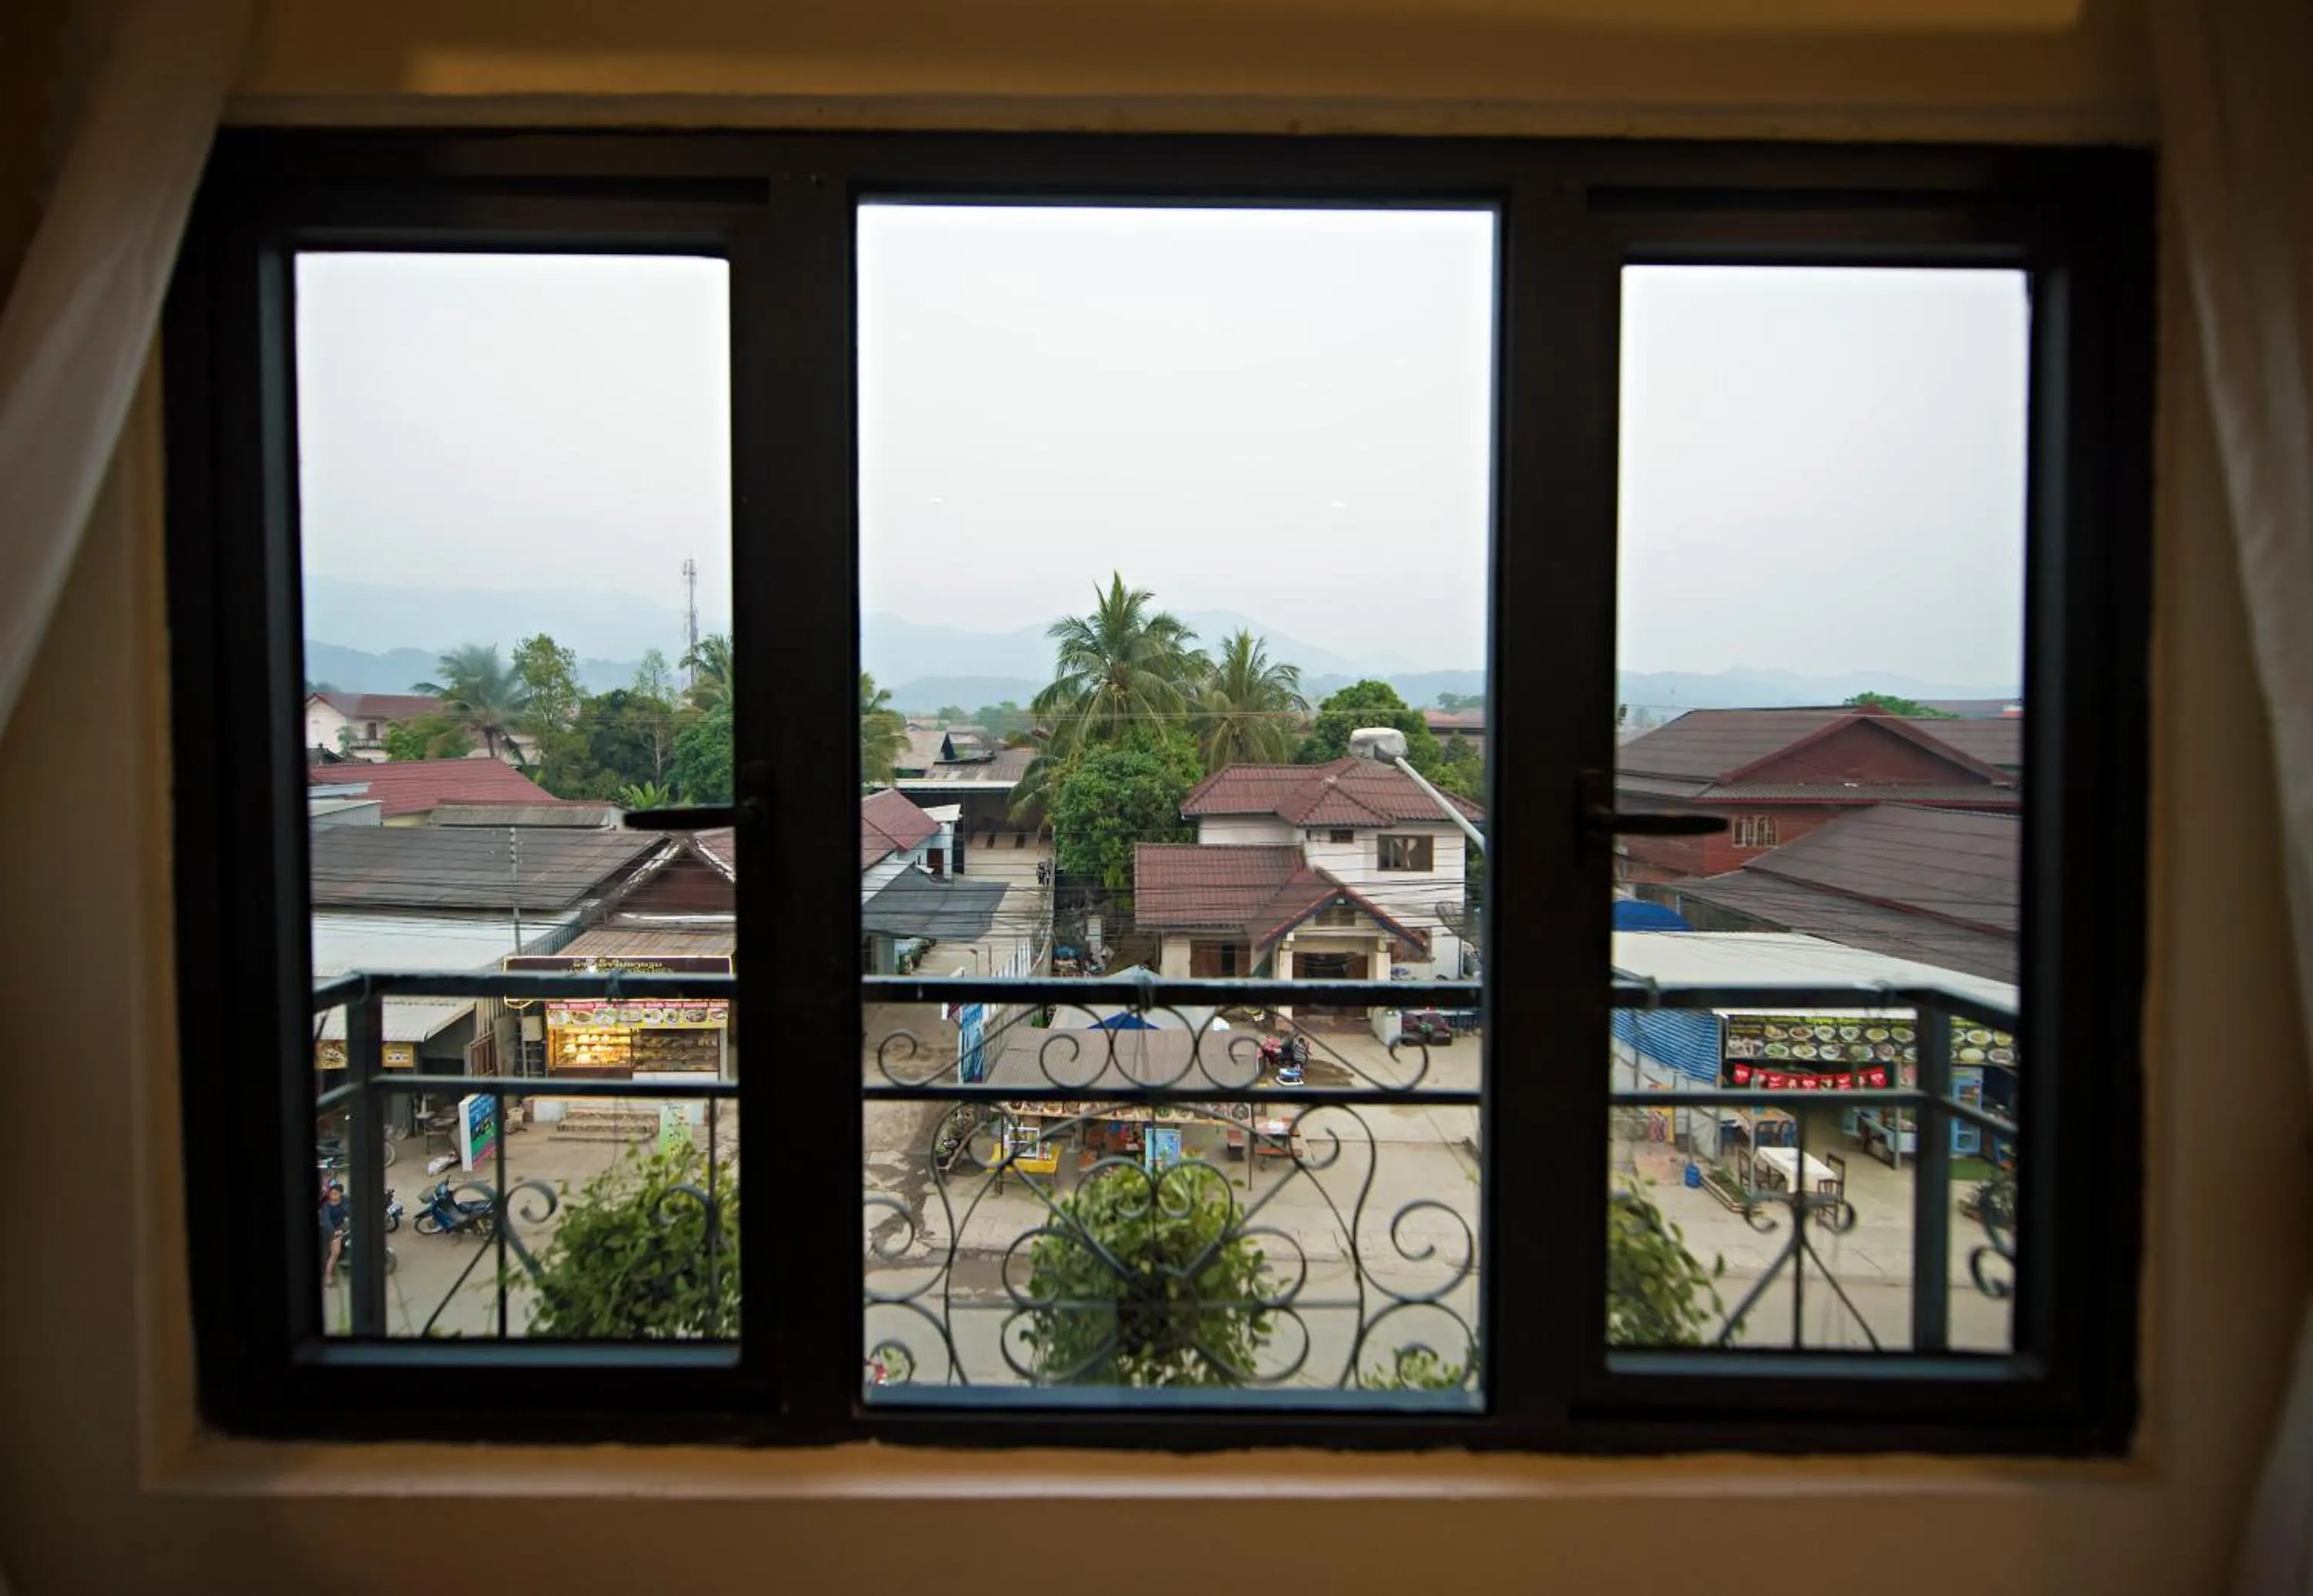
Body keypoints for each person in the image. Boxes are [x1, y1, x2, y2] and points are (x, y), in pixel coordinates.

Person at [318, 1177, 347, 1287]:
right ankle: (328, 1275)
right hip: (329, 1230)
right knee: (335, 1252)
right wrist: (335, 1232)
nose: (333, 1195)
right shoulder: (326, 1206)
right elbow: (327, 1222)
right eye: (331, 1193)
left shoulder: (344, 1201)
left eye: (336, 1193)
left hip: (340, 1227)